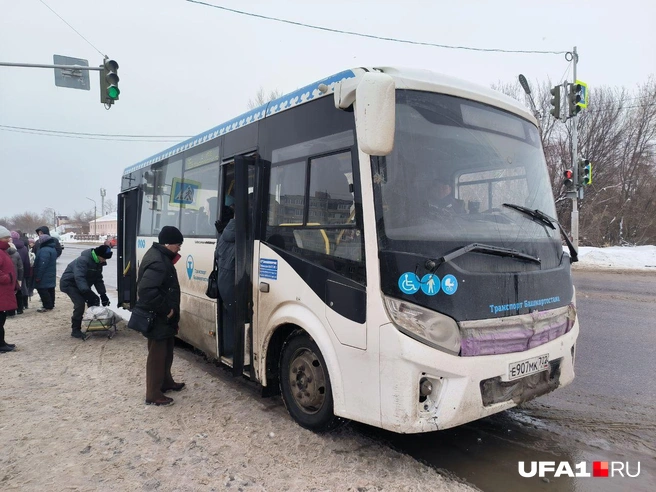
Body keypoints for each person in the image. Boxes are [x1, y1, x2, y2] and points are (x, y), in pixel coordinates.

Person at [135, 225, 185, 406]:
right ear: (168, 243)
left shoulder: (160, 256)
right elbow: (147, 291)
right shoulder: (158, 261)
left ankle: (166, 382)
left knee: (166, 351)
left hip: (164, 318)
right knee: (157, 355)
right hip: (158, 316)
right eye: (178, 244)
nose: (179, 248)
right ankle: (153, 394)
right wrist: (167, 310)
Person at [59, 244, 113, 339]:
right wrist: (86, 291)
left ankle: (93, 324)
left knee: (95, 300)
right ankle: (75, 330)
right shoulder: (83, 260)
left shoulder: (98, 263)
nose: (104, 261)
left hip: (81, 285)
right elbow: (79, 277)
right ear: (98, 255)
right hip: (70, 284)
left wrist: (103, 294)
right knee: (80, 304)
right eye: (104, 258)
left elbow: (98, 279)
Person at [216, 213, 236, 357]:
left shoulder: (224, 235)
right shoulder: (245, 238)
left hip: (222, 280)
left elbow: (217, 254)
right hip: (234, 282)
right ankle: (234, 349)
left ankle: (229, 348)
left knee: (228, 315)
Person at [0, 226, 18, 352]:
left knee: (2, 318)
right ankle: (1, 345)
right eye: (6, 237)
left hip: (4, 290)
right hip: (2, 289)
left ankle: (2, 342)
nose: (9, 239)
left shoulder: (3, 250)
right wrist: (7, 278)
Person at [33, 232, 58, 312]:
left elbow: (42, 264)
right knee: (50, 289)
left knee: (42, 289)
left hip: (44, 274)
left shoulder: (44, 250)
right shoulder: (52, 248)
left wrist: (38, 276)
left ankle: (47, 305)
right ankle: (51, 304)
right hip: (51, 273)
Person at [12, 231, 32, 311]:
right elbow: (27, 261)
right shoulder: (23, 247)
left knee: (13, 289)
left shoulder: (8, 247)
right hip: (22, 270)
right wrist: (27, 273)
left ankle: (15, 307)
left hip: (12, 272)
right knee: (23, 287)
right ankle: (25, 304)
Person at [6, 236, 24, 315]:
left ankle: (11, 312)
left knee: (8, 295)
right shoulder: (17, 254)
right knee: (18, 294)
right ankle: (20, 309)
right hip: (15, 277)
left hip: (6, 277)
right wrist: (20, 278)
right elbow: (20, 267)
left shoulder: (3, 254)